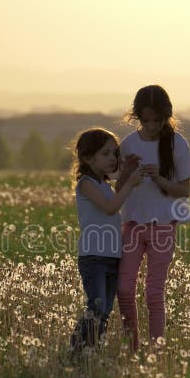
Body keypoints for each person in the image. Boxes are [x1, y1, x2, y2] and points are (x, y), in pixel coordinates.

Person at [115, 85, 190, 351]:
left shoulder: (177, 144)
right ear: (136, 117)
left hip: (163, 228)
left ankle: (156, 350)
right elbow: (118, 191)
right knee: (125, 288)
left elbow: (183, 192)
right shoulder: (128, 144)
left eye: (157, 120)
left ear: (166, 116)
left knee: (154, 293)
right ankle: (132, 346)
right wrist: (128, 175)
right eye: (145, 120)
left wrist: (159, 179)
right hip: (131, 226)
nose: (151, 126)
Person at [70, 128, 143, 350]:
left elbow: (114, 203)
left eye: (114, 153)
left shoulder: (105, 185)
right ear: (87, 158)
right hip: (93, 257)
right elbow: (110, 209)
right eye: (105, 153)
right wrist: (130, 184)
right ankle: (77, 348)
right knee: (96, 306)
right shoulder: (86, 184)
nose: (112, 158)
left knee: (105, 310)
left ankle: (93, 350)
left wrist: (128, 174)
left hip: (112, 257)